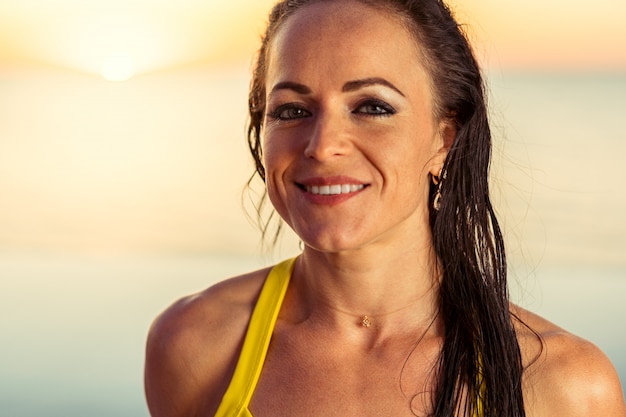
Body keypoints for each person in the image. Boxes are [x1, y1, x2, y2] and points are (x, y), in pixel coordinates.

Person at [144, 0, 626, 416]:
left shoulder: (562, 385)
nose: (323, 145)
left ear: (444, 140)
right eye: (292, 110)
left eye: (372, 106)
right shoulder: (194, 346)